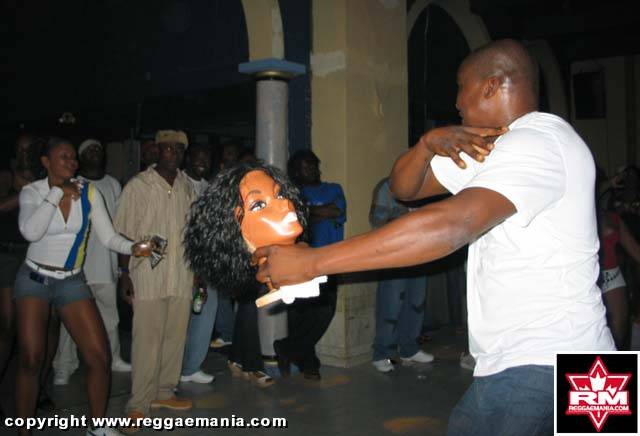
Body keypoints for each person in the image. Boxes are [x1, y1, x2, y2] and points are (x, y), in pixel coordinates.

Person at [254, 39, 615, 436]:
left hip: (545, 362)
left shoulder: (537, 142)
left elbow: (452, 225)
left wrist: (313, 262)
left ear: (491, 86)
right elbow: (404, 188)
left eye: (461, 86)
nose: (456, 101)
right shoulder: (500, 148)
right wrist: (426, 145)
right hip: (571, 362)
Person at [15, 137, 152, 436]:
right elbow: (30, 232)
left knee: (99, 357)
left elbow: (108, 237)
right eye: (63, 157)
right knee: (31, 359)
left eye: (72, 157)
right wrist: (57, 193)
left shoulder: (89, 192)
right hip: (35, 279)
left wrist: (133, 247)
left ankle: (97, 427)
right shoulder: (32, 192)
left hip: (71, 280)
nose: (72, 161)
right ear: (46, 162)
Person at [183, 162, 308, 387]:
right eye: (259, 204)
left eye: (280, 195)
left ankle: (239, 360)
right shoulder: (233, 240)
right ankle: (250, 365)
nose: (284, 205)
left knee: (248, 311)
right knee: (248, 311)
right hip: (246, 260)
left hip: (264, 259)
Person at [114, 130, 195, 431]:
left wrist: (198, 272)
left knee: (175, 337)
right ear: (157, 151)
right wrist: (124, 274)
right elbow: (123, 232)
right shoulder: (139, 186)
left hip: (182, 274)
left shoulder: (188, 186)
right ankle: (138, 403)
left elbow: (193, 233)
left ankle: (164, 392)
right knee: (146, 341)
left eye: (179, 149)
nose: (174, 154)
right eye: (168, 149)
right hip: (147, 274)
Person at [53, 139, 132, 386]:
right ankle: (64, 365)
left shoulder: (113, 184)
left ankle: (113, 358)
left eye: (98, 149)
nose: (95, 153)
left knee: (110, 317)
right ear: (81, 157)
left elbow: (120, 225)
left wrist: (123, 268)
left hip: (106, 264)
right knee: (69, 321)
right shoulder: (73, 184)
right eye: (89, 150)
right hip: (76, 267)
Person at [273, 150, 345, 380]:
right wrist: (313, 213)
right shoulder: (293, 194)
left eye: (312, 164)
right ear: (296, 172)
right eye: (304, 167)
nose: (310, 169)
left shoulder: (334, 189)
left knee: (325, 312)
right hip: (301, 260)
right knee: (302, 315)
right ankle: (308, 362)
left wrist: (307, 212)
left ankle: (287, 348)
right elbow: (295, 219)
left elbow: (336, 211)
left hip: (330, 260)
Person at [0, 133, 58, 415]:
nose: (26, 153)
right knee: (7, 326)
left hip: (41, 254)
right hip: (9, 254)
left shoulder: (45, 176)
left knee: (50, 324)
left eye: (30, 149)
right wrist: (31, 192)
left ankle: (40, 388)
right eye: (21, 149)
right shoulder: (7, 176)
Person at [369, 178, 432, 373]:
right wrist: (408, 218)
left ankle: (409, 349)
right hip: (394, 254)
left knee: (416, 303)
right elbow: (377, 222)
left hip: (420, 252)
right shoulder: (388, 187)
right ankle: (382, 354)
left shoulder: (427, 186)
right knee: (390, 304)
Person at [180, 145, 216, 384]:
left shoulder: (208, 188)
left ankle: (191, 367)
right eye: (198, 156)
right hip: (181, 262)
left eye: (206, 157)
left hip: (204, 261)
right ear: (188, 158)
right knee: (180, 318)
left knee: (205, 311)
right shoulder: (177, 183)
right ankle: (173, 368)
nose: (202, 161)